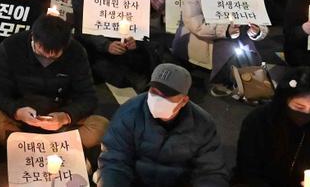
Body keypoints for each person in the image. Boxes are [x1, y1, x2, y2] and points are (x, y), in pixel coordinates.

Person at [0, 14, 108, 149]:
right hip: (20, 116)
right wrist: (16, 111)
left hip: (59, 116)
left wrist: (66, 116)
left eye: (54, 56)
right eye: (41, 52)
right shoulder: (11, 47)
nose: (47, 58)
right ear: (33, 37)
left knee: (101, 125)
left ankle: (29, 148)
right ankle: (53, 149)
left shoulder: (76, 52)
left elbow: (88, 97)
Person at [97, 63, 229, 187]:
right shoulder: (129, 112)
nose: (158, 99)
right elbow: (115, 159)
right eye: (154, 91)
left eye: (167, 95)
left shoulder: (203, 125)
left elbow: (211, 173)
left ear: (183, 101)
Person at [172, 0, 269, 93]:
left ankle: (255, 87)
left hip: (237, 32)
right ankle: (232, 82)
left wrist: (257, 30)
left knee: (247, 47)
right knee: (228, 47)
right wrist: (224, 30)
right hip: (205, 35)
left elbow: (258, 17)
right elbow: (193, 21)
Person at [71, 0, 154, 90]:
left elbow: (140, 25)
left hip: (123, 43)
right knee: (96, 61)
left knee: (147, 53)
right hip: (94, 43)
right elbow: (81, 26)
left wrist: (135, 40)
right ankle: (132, 80)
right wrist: (105, 45)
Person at [235, 67, 310, 187]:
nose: (306, 113)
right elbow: (247, 170)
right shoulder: (258, 121)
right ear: (285, 101)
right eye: (299, 107)